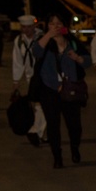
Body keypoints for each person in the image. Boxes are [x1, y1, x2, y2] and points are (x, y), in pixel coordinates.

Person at [31, 13, 91, 168]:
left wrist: (78, 58)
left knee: (74, 125)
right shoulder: (45, 43)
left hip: (70, 90)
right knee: (53, 125)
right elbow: (36, 51)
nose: (56, 26)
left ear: (64, 25)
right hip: (49, 90)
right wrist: (49, 35)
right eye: (52, 23)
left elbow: (88, 61)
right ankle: (57, 156)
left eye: (59, 23)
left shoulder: (72, 42)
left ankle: (75, 148)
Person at [10, 14, 47, 146]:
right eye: (23, 27)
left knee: (41, 105)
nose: (26, 30)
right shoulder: (19, 40)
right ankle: (41, 133)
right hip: (30, 75)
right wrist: (16, 81)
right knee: (37, 105)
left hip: (44, 75)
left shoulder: (43, 38)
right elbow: (18, 61)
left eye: (28, 27)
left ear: (34, 26)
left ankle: (36, 131)